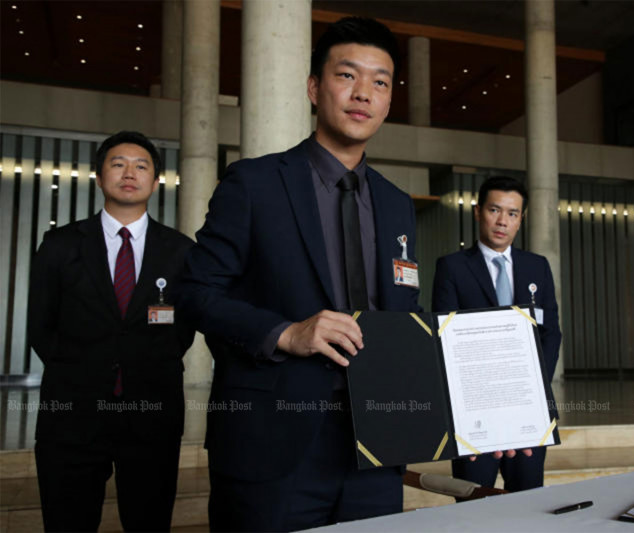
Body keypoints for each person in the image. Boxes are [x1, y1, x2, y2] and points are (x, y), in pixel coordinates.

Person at [179, 17, 421, 532]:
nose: (364, 93)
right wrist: (286, 333)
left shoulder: (398, 206)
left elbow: (404, 316)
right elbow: (194, 292)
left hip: (377, 448)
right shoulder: (255, 183)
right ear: (314, 88)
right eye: (347, 75)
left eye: (380, 82)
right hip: (272, 448)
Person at [28, 131, 195, 531]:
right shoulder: (60, 245)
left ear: (156, 182)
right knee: (67, 519)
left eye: (141, 166)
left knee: (149, 520)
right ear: (100, 177)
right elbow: (40, 326)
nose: (129, 173)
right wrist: (80, 371)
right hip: (71, 412)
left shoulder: (180, 251)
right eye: (117, 164)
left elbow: (184, 327)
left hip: (152, 410)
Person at [432, 176, 562, 492]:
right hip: (474, 414)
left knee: (529, 498)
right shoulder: (452, 267)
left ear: (521, 219)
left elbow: (551, 334)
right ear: (478, 212)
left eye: (512, 213)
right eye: (494, 210)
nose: (502, 221)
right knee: (473, 500)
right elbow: (443, 339)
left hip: (528, 409)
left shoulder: (538, 266)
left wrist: (529, 390)